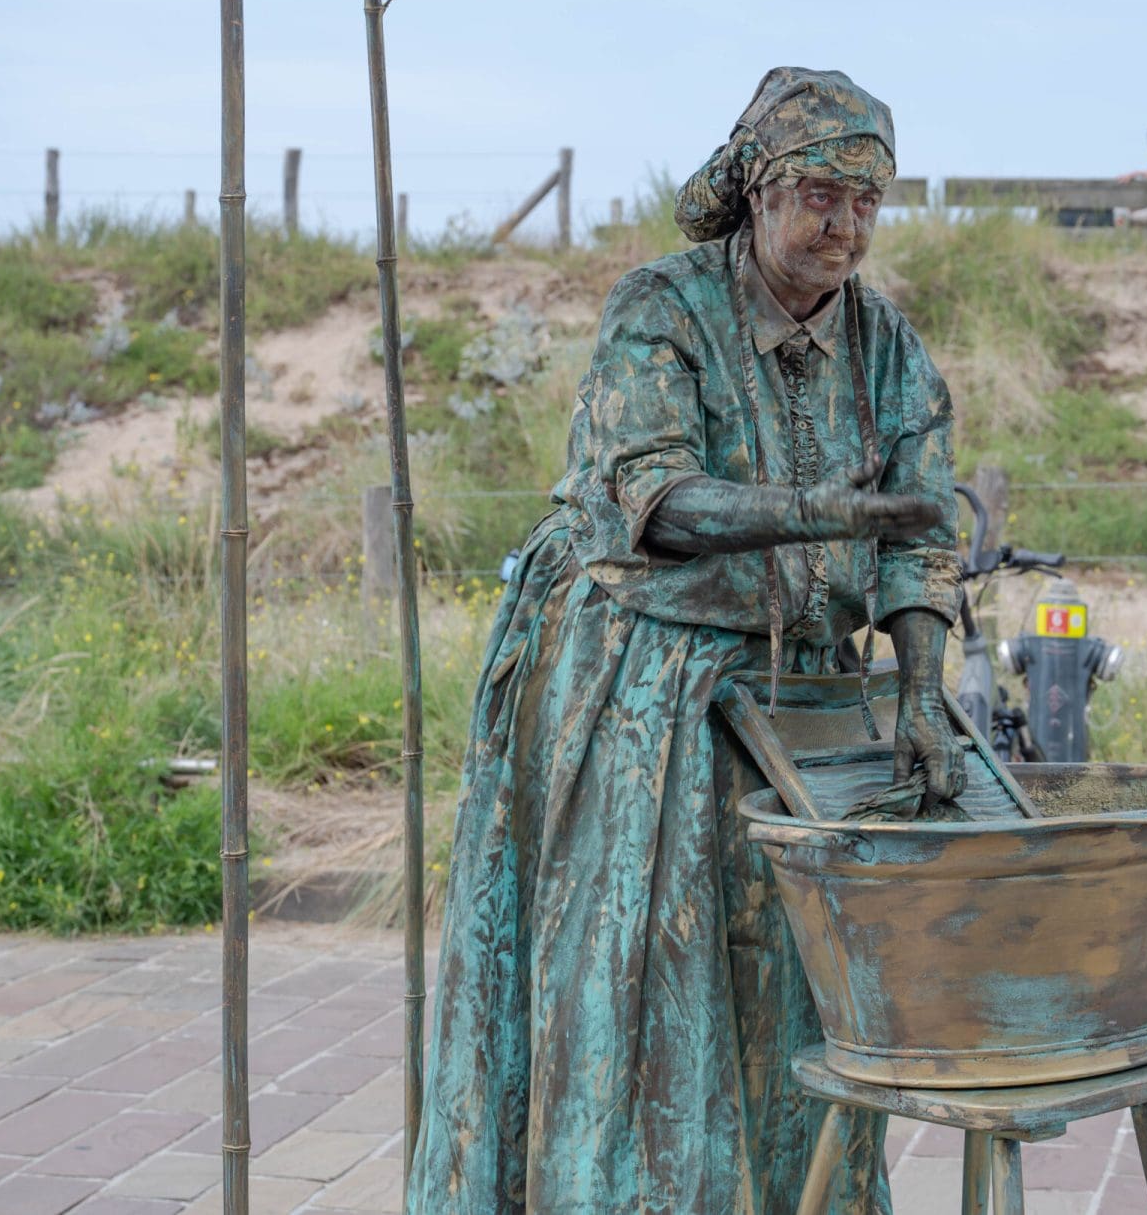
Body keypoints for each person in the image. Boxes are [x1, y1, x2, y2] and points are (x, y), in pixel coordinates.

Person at [405, 66, 965, 1214]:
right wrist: (819, 512)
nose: (845, 227)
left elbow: (919, 537)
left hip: (800, 698)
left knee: (795, 982)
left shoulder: (890, 348)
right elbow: (655, 498)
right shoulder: (661, 307)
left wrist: (919, 687)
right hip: (639, 688)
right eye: (821, 196)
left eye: (866, 202)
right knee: (645, 978)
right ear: (759, 191)